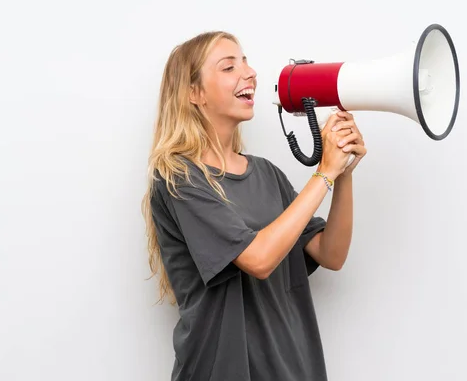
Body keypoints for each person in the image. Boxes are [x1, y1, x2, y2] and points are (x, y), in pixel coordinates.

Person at [141, 30, 367, 381]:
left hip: (292, 366)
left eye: (245, 62)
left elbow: (331, 254)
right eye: (229, 66)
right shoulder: (178, 178)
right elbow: (258, 259)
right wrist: (324, 172)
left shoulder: (266, 174)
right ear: (194, 93)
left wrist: (343, 172)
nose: (250, 73)